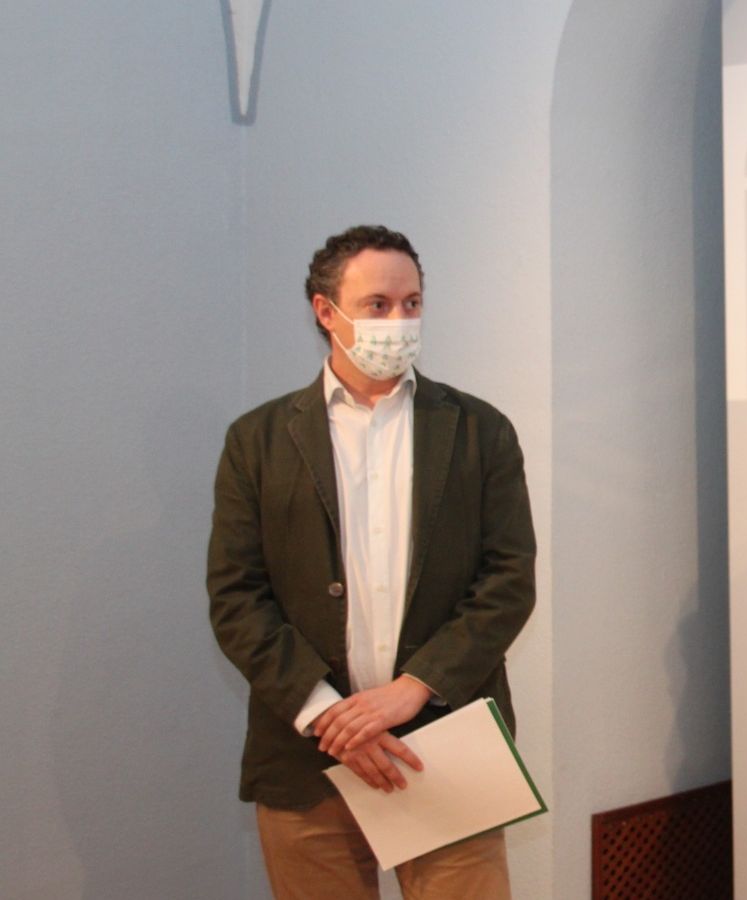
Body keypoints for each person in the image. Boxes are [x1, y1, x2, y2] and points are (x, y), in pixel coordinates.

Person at [208, 225, 536, 899]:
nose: (399, 320)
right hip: (308, 758)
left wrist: (411, 689)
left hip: (446, 744)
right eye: (378, 305)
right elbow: (237, 599)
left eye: (412, 303)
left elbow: (507, 582)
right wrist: (333, 717)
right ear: (326, 312)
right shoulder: (258, 441)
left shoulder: (479, 430)